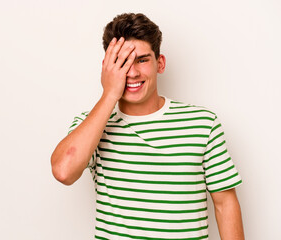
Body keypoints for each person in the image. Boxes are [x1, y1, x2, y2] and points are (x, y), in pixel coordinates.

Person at [51, 13, 244, 240]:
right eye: (121, 63)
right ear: (107, 68)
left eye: (142, 60)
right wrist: (110, 92)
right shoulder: (92, 125)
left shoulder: (203, 124)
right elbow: (63, 171)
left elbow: (225, 205)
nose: (132, 72)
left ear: (159, 63)